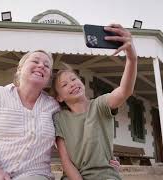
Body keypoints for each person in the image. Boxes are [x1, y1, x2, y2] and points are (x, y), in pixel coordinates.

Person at [51, 23, 137, 180]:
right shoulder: (60, 118)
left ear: (81, 82)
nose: (72, 84)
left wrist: (132, 58)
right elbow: (66, 161)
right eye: (64, 84)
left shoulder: (100, 105)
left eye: (74, 79)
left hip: (106, 175)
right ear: (59, 97)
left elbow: (125, 90)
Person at [0, 50, 60, 180]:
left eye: (47, 65)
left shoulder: (54, 106)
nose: (41, 65)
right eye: (35, 61)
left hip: (34, 174)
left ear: (48, 77)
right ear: (20, 68)